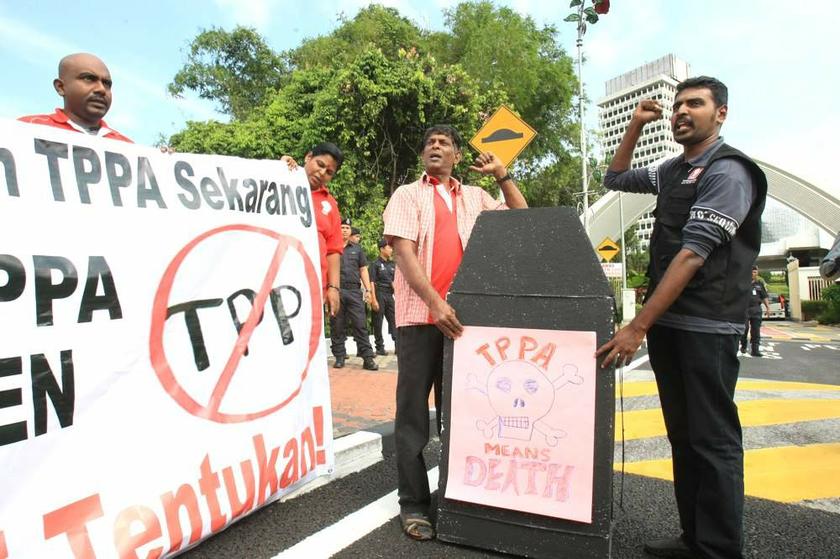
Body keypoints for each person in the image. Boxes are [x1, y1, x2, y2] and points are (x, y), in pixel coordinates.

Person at [596, 77, 767, 559]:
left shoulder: (728, 172)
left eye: (695, 103)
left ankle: (718, 549)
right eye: (676, 106)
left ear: (721, 114)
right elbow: (614, 179)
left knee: (712, 442)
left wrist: (636, 326)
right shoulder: (672, 169)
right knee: (684, 438)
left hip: (708, 326)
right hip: (672, 324)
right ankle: (694, 539)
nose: (681, 112)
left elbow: (693, 254)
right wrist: (633, 125)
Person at [383, 124, 527, 541]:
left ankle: (457, 501)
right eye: (430, 143)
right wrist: (434, 303)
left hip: (465, 326)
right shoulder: (408, 195)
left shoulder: (476, 198)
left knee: (462, 418)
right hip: (419, 320)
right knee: (412, 418)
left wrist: (502, 175)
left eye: (444, 144)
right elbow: (404, 251)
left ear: (457, 157)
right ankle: (413, 505)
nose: (436, 147)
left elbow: (523, 219)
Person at [281, 142, 345, 318]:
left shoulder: (330, 204)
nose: (322, 173)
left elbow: (333, 251)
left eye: (329, 172)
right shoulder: (282, 182)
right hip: (275, 282)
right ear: (308, 157)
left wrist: (333, 288)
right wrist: (278, 169)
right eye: (320, 164)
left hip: (311, 289)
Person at [18, 53, 132, 142]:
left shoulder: (127, 148)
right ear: (61, 87)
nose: (101, 89)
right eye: (89, 79)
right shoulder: (26, 129)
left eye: (107, 84)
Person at [331, 218, 378, 371]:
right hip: (337, 290)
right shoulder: (331, 247)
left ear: (350, 231)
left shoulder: (357, 249)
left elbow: (363, 270)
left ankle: (368, 358)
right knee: (337, 325)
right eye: (342, 227)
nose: (344, 230)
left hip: (354, 291)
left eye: (347, 228)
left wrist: (368, 291)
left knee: (360, 324)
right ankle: (339, 356)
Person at [369, 238, 397, 356]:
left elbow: (395, 282)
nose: (391, 250)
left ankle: (398, 345)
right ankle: (380, 347)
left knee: (394, 320)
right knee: (378, 322)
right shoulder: (375, 265)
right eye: (389, 247)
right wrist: (373, 299)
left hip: (389, 295)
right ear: (381, 249)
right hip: (379, 293)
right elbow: (371, 283)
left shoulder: (392, 265)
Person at [741, 266, 770, 357]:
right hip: (744, 309)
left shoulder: (759, 284)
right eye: (752, 272)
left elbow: (764, 296)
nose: (754, 274)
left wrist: (768, 308)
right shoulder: (743, 283)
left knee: (756, 330)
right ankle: (743, 344)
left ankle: (755, 350)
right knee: (744, 328)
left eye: (755, 272)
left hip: (756, 309)